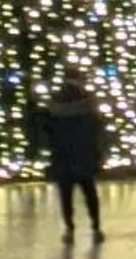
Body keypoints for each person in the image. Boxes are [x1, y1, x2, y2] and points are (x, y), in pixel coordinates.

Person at [38, 69, 108, 244]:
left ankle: (69, 229)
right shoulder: (88, 101)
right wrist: (98, 153)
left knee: (66, 195)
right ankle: (96, 227)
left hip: (63, 156)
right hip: (83, 154)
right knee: (89, 193)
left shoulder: (55, 101)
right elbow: (96, 129)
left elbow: (46, 129)